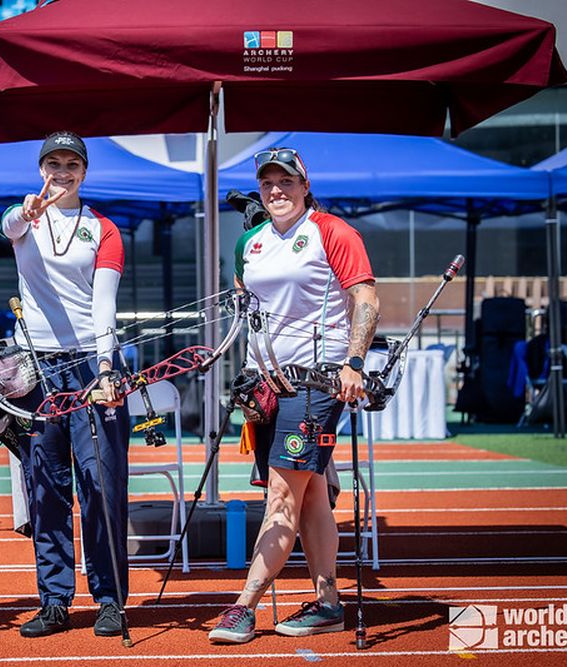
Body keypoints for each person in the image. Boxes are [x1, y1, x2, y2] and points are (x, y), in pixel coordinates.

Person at [208, 147, 379, 644]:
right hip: (266, 390)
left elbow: (365, 298)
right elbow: (244, 302)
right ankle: (328, 603)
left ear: (305, 185)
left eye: (285, 181)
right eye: (267, 183)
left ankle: (244, 607)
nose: (276, 190)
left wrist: (353, 362)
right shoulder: (250, 242)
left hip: (317, 386)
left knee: (282, 496)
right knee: (311, 501)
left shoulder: (332, 231)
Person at [0, 131, 130, 638]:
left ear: (84, 171)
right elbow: (8, 225)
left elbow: (104, 305)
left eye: (71, 163)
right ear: (40, 169)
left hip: (90, 367)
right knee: (45, 487)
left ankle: (110, 598)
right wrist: (26, 212)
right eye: (53, 162)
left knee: (100, 484)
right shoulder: (24, 217)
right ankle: (54, 598)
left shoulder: (103, 228)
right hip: (35, 370)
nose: (62, 171)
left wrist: (104, 369)